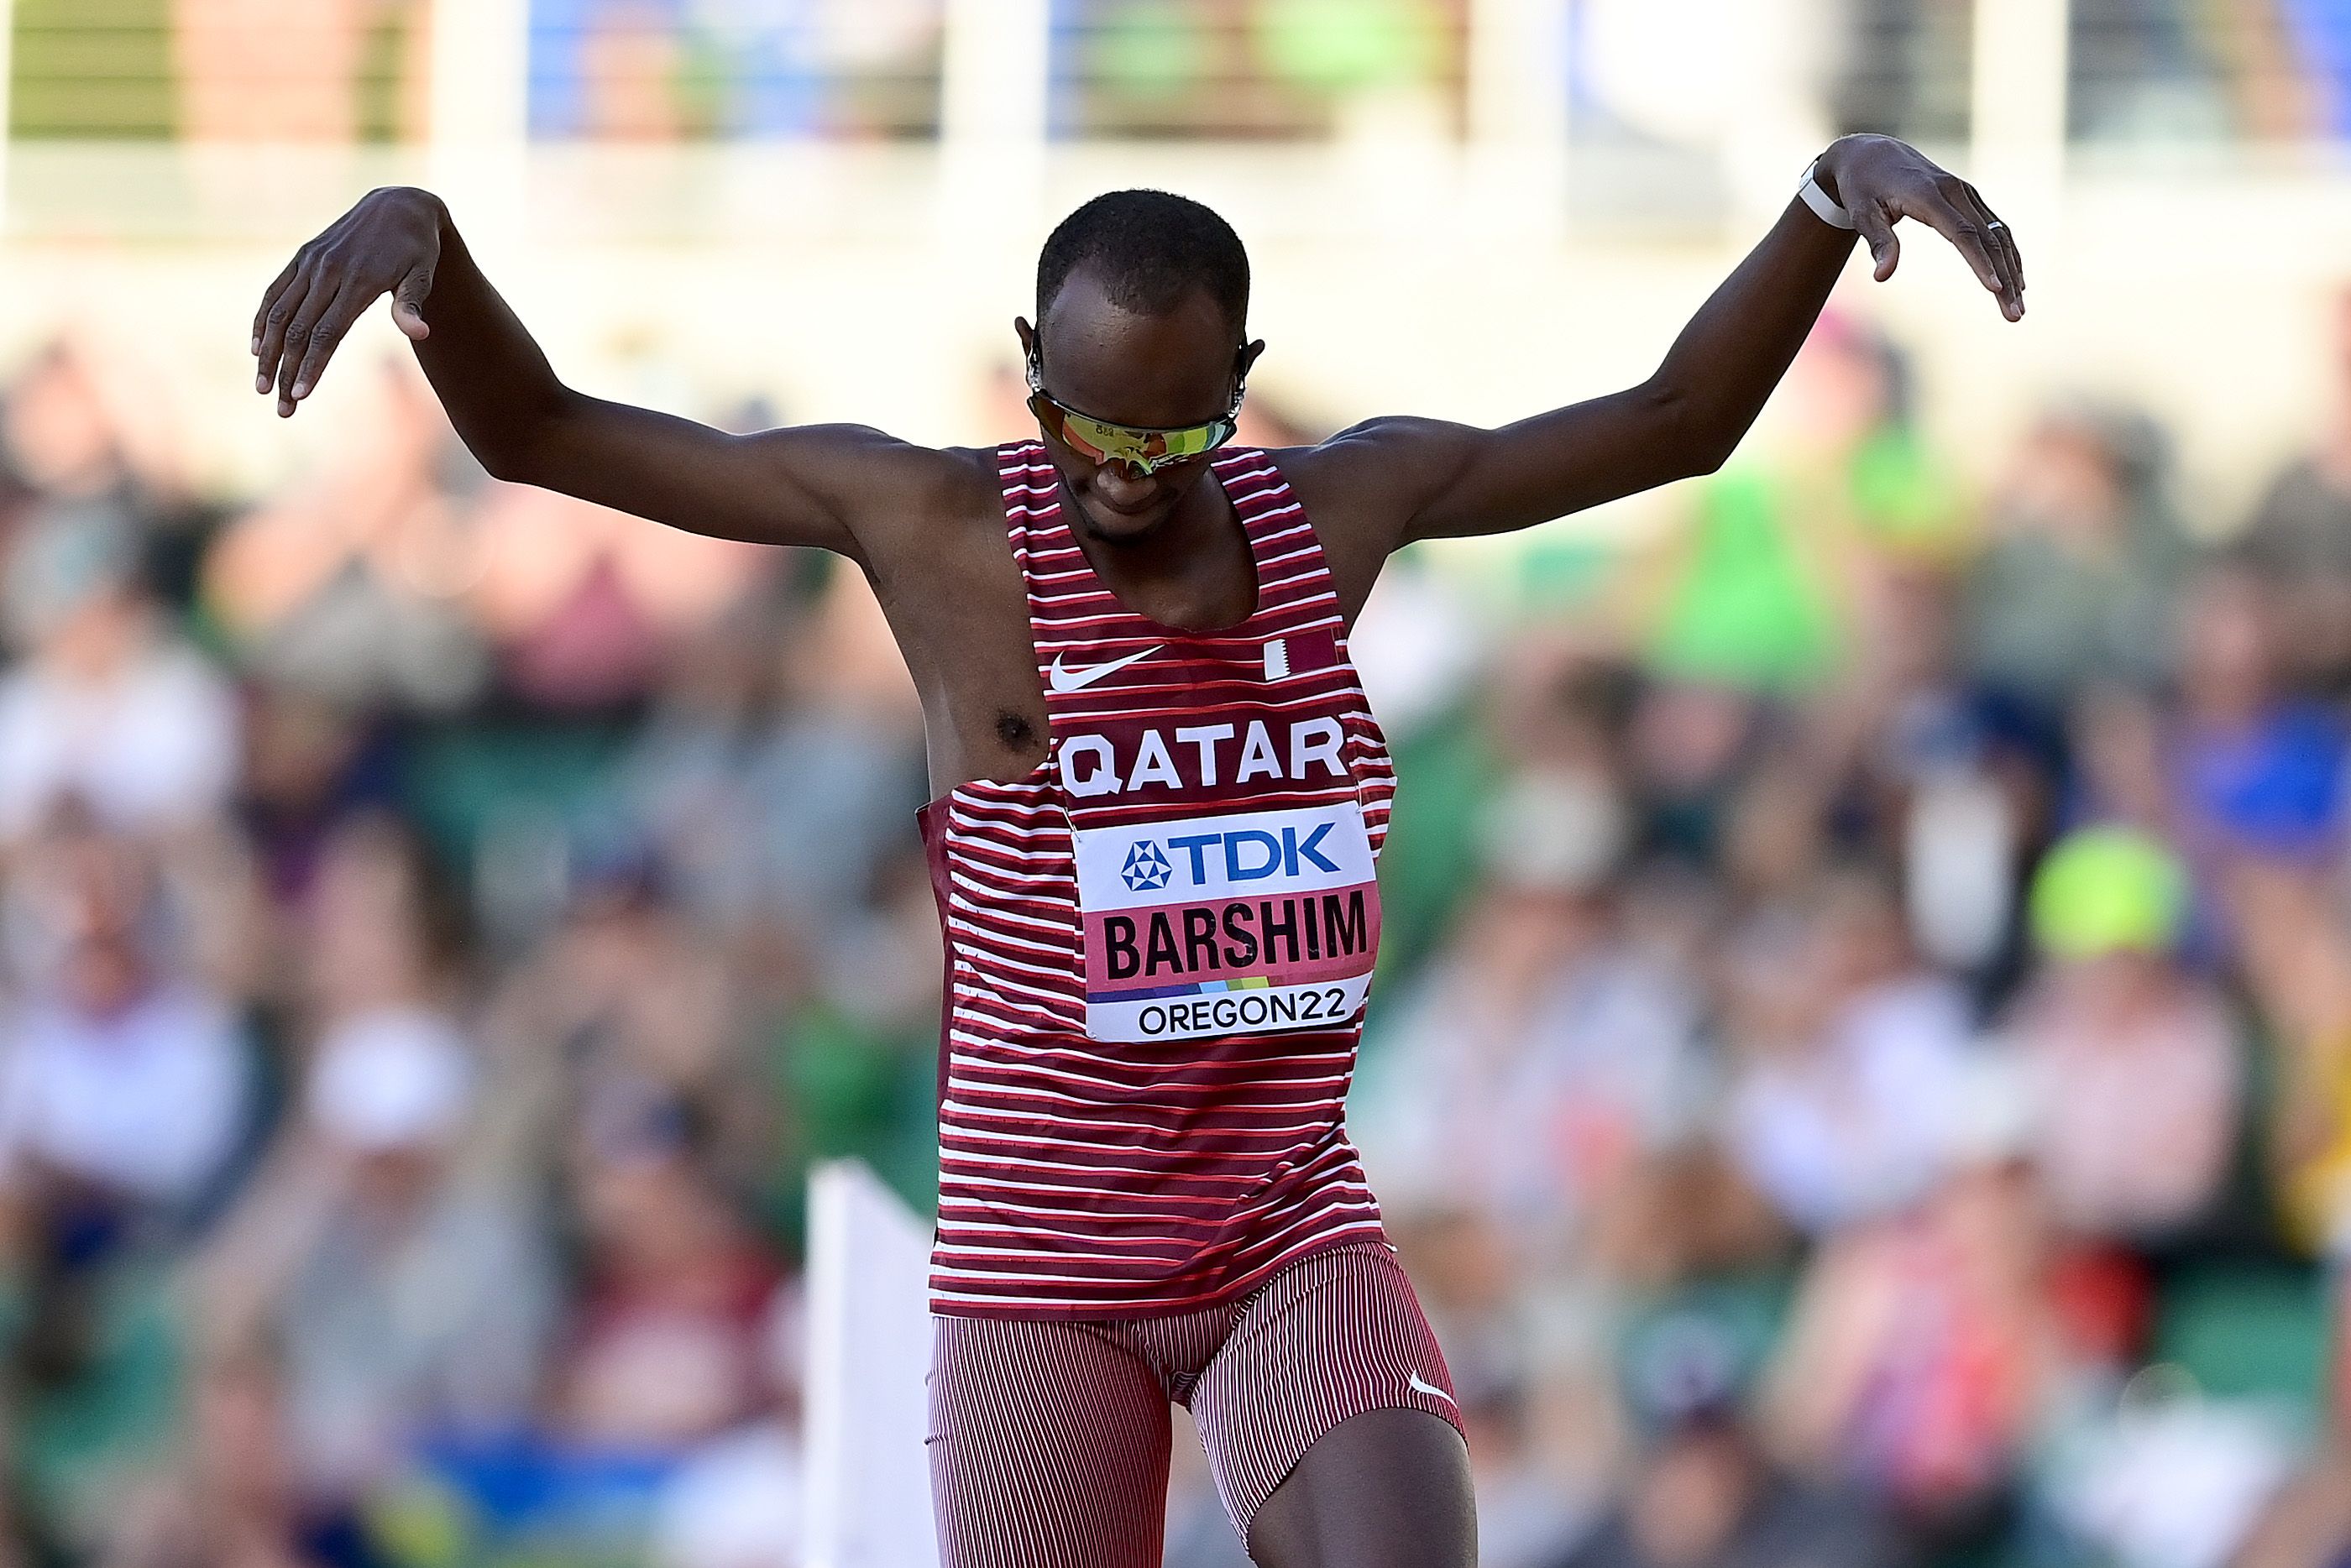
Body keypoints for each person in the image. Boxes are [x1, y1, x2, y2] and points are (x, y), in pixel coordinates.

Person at [248, 136, 2023, 1568]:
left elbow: (1666, 425)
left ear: (1237, 389)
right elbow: (546, 434)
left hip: (1283, 1229)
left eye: (1171, 437)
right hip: (1044, 1271)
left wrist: (1818, 204)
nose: (1122, 477)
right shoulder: (937, 529)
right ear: (1032, 375)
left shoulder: (1340, 508)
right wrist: (428, 251)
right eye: (1085, 427)